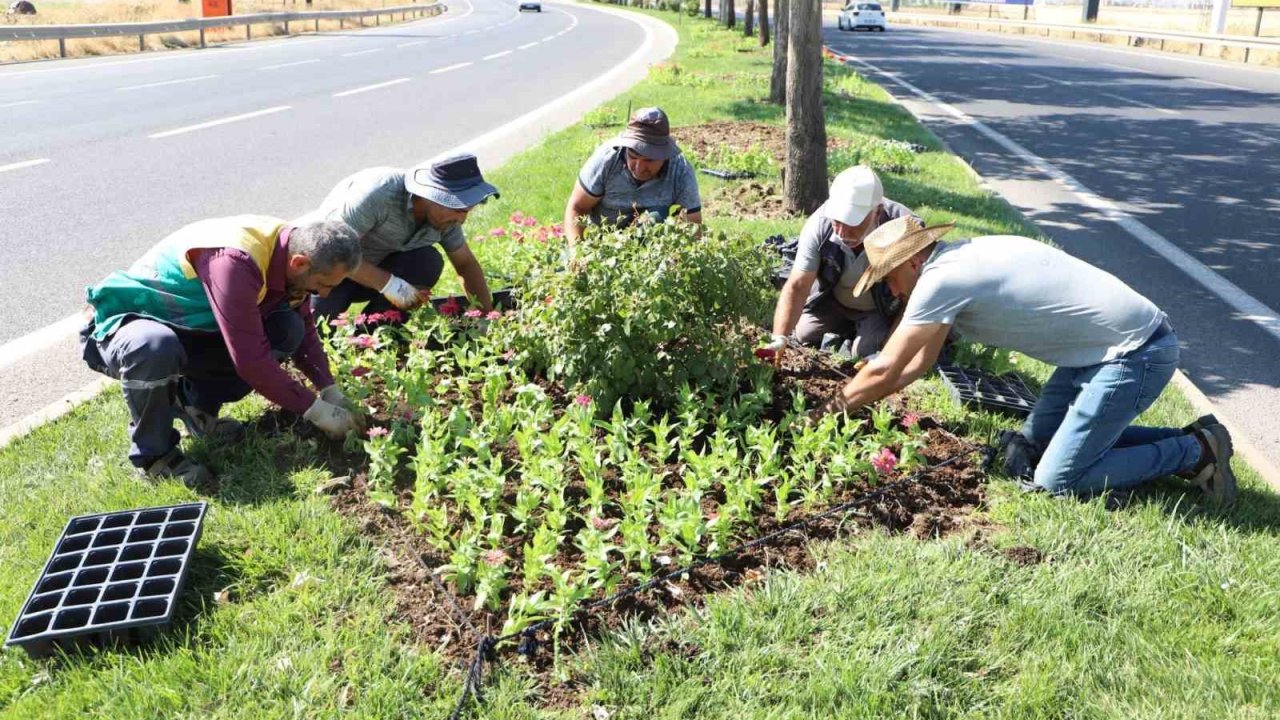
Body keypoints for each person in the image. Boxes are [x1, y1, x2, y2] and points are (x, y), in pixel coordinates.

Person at [816, 216, 1237, 504]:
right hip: (1094, 353)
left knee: (1057, 480)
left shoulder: (940, 280)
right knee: (1037, 446)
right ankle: (1196, 436)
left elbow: (887, 366)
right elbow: (916, 365)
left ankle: (1194, 451)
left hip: (1135, 353)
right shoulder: (961, 258)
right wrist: (862, 401)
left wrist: (826, 411)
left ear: (912, 260)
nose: (890, 289)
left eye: (889, 276)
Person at [80, 217, 365, 487]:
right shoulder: (236, 261)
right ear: (300, 263)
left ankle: (197, 408)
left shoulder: (292, 249)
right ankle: (156, 457)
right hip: (128, 322)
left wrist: (328, 387)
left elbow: (302, 323)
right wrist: (314, 410)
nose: (325, 295)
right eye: (323, 285)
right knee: (153, 347)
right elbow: (251, 361)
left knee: (286, 327)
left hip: (189, 325)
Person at [302, 153, 499, 319]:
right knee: (314, 330)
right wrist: (391, 285)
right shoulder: (378, 195)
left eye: (466, 211)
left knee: (427, 261)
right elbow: (333, 255)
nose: (462, 220)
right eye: (458, 209)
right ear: (431, 195)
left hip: (372, 275)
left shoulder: (446, 219)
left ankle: (373, 338)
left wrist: (486, 316)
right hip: (328, 270)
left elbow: (466, 264)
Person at [765, 166, 919, 362]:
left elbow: (913, 299)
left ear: (877, 211)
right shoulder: (819, 225)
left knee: (865, 352)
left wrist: (887, 354)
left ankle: (865, 336)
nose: (843, 232)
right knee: (804, 334)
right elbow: (798, 285)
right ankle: (848, 329)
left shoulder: (906, 229)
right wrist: (779, 337)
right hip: (834, 302)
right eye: (837, 221)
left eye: (853, 223)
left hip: (878, 310)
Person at [564, 106, 702, 244]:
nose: (639, 168)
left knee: (657, 216)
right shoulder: (606, 160)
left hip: (653, 246)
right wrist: (578, 252)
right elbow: (577, 207)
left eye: (649, 160)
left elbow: (692, 226)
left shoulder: (680, 170)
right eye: (633, 156)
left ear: (664, 155)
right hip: (602, 241)